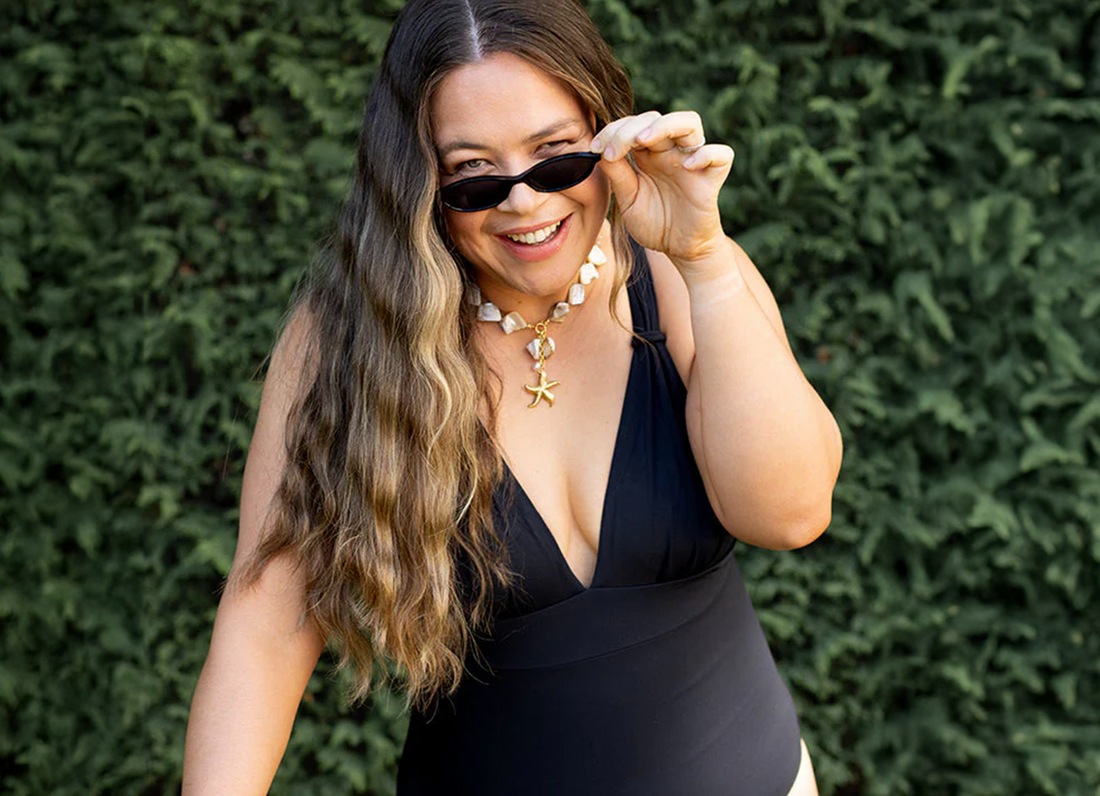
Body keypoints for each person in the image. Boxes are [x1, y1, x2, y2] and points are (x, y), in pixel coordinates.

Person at [182, 0, 843, 794]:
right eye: (473, 177)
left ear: (606, 132)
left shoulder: (681, 275)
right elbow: (266, 626)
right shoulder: (347, 341)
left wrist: (704, 260)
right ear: (417, 185)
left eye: (557, 158)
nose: (524, 202)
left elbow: (790, 513)